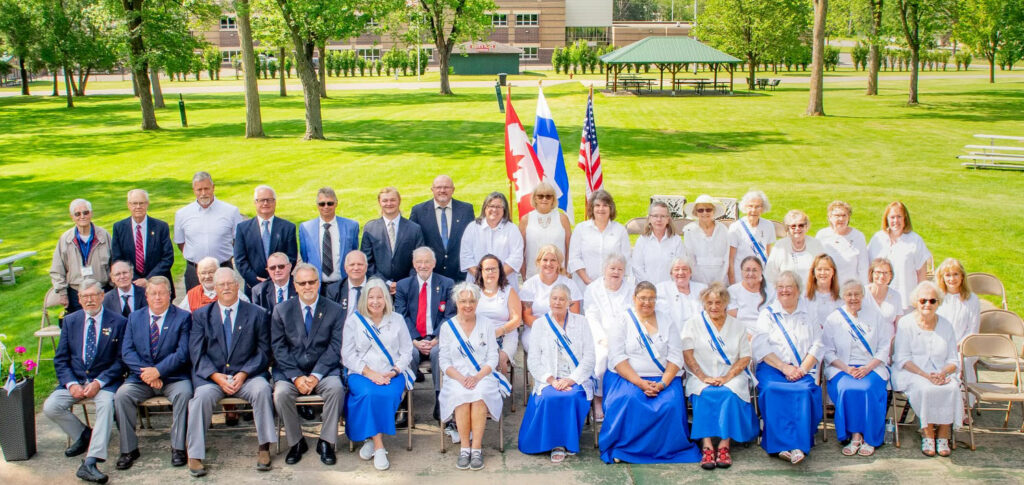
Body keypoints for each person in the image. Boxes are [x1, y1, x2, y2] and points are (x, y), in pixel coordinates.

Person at [186, 268, 276, 476]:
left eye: (230, 283)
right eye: (221, 284)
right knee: (200, 398)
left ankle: (264, 447)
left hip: (248, 376)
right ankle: (195, 454)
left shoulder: (257, 313)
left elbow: (264, 352)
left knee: (262, 390)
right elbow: (196, 353)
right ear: (215, 288)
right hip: (213, 378)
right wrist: (216, 377)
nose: (226, 288)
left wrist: (244, 373)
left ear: (237, 285)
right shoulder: (201, 316)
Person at [599, 282, 701, 464]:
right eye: (642, 298)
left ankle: (667, 450)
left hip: (663, 378)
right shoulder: (622, 320)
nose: (647, 302)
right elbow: (617, 357)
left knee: (669, 404)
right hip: (628, 377)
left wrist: (662, 383)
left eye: (651, 298)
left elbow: (676, 357)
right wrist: (640, 383)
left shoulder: (667, 320)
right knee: (629, 399)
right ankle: (624, 450)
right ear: (634, 298)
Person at [43, 279, 127, 484]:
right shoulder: (70, 321)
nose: (89, 300)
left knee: (106, 405)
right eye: (84, 296)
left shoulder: (118, 322)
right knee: (51, 406)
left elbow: (122, 361)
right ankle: (84, 434)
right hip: (77, 380)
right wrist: (71, 384)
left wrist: (99, 382)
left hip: (105, 382)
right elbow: (61, 359)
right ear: (79, 300)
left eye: (93, 295)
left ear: (101, 297)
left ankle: (91, 461)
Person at [113, 276, 193, 469]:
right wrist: (147, 375)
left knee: (185, 394)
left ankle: (178, 447)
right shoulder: (134, 317)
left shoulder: (183, 317)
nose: (157, 297)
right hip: (141, 378)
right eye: (153, 293)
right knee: (122, 395)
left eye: (162, 293)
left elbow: (182, 353)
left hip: (173, 377)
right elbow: (128, 352)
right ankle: (128, 449)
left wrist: (158, 371)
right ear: (146, 296)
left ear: (170, 295)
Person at [271, 263, 345, 466]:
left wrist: (315, 376)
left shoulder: (335, 310)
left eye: (312, 282)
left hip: (323, 371)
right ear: (295, 286)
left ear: (318, 283)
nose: (307, 287)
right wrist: (296, 376)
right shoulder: (281, 310)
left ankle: (326, 441)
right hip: (291, 372)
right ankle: (296, 442)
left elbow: (335, 346)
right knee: (281, 394)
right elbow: (279, 348)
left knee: (337, 389)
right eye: (302, 283)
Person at [681, 283, 759, 470]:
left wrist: (727, 377)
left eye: (718, 302)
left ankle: (724, 445)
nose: (714, 306)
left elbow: (745, 356)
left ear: (726, 303)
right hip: (702, 375)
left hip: (732, 375)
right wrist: (703, 376)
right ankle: (707, 445)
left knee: (729, 393)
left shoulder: (738, 326)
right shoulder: (692, 324)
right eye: (709, 303)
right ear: (704, 304)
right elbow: (688, 354)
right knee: (704, 393)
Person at [751, 271, 824, 464]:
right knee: (773, 390)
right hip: (773, 368)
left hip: (801, 369)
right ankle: (780, 445)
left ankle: (798, 445)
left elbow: (818, 344)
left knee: (804, 391)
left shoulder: (810, 313)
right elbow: (760, 346)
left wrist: (802, 369)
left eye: (789, 286)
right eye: (780, 287)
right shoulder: (767, 314)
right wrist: (784, 367)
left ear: (798, 290)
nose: (784, 290)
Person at [342, 278, 414, 471]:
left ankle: (371, 440)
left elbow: (407, 351)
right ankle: (380, 446)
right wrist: (370, 373)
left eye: (379, 297)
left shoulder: (397, 319)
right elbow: (347, 355)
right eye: (371, 297)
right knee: (369, 394)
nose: (375, 301)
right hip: (361, 373)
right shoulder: (354, 321)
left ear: (386, 299)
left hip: (392, 373)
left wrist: (394, 371)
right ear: (364, 299)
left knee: (388, 394)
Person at [519, 284, 595, 462]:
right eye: (554, 298)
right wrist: (552, 380)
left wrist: (570, 380)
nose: (558, 302)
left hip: (576, 378)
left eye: (562, 299)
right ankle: (554, 443)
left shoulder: (582, 322)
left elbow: (590, 357)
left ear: (569, 302)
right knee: (550, 396)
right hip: (549, 378)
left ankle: (564, 443)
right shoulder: (540, 324)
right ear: (549, 301)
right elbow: (534, 360)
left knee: (571, 396)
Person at [437, 282, 507, 471]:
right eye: (463, 301)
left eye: (471, 301)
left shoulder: (486, 324)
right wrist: (461, 378)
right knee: (461, 395)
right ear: (456, 302)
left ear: (477, 302)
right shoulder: (447, 327)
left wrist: (477, 377)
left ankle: (476, 448)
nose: (467, 305)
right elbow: (444, 361)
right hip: (456, 377)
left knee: (480, 394)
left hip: (483, 375)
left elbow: (493, 357)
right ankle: (464, 449)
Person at [821, 280, 892, 457]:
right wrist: (846, 369)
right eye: (849, 294)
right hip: (842, 368)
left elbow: (884, 346)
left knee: (867, 388)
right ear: (843, 297)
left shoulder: (876, 316)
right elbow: (828, 351)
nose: (853, 298)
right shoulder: (834, 319)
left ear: (862, 295)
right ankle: (855, 435)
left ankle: (870, 438)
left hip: (872, 367)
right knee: (847, 388)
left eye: (856, 294)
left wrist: (868, 368)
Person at [892, 281, 962, 457]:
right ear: (916, 302)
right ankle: (928, 432)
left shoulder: (946, 325)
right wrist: (926, 375)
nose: (927, 304)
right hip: (911, 372)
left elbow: (954, 359)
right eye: (923, 300)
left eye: (932, 301)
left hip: (940, 372)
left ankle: (944, 434)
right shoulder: (906, 324)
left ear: (938, 303)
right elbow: (902, 358)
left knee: (952, 387)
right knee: (925, 388)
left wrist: (943, 373)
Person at [394, 246, 456, 421]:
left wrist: (435, 339)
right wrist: (415, 341)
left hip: (436, 338)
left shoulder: (447, 284)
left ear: (434, 263)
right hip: (411, 339)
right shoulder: (403, 285)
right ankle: (405, 404)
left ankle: (440, 400)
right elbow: (401, 316)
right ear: (414, 264)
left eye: (427, 261)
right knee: (409, 356)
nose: (423, 265)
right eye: (419, 262)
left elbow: (449, 316)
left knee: (439, 354)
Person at [582, 253, 634, 422]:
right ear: (604, 270)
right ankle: (598, 399)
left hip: (627, 335)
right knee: (602, 357)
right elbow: (591, 316)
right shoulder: (593, 289)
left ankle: (624, 400)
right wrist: (602, 338)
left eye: (620, 269)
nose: (615, 272)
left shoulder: (631, 287)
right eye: (612, 268)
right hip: (599, 336)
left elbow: (635, 314)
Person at [174, 172, 243, 291]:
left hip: (223, 269)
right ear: (193, 190)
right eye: (199, 190)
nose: (203, 193)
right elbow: (180, 243)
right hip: (194, 272)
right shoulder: (182, 214)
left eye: (206, 189)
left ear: (213, 187)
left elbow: (238, 241)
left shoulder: (231, 212)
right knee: (195, 306)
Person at [233, 185, 298, 296]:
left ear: (275, 202)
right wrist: (255, 280)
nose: (265, 203)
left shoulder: (287, 228)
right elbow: (240, 260)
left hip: (281, 287)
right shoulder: (243, 229)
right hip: (254, 287)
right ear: (255, 203)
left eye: (269, 200)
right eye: (261, 200)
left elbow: (291, 257)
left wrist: (276, 279)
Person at [409, 175, 475, 281]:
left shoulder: (466, 210)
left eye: (446, 187)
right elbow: (412, 243)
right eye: (438, 187)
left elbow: (472, 240)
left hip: (459, 276)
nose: (442, 190)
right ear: (432, 189)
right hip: (430, 276)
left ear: (453, 190)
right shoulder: (418, 211)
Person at [50, 198, 112, 313]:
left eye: (86, 212)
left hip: (102, 291)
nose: (82, 216)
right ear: (72, 217)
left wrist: (114, 288)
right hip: (77, 294)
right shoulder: (65, 239)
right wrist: (62, 293)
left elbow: (114, 264)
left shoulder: (104, 235)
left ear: (91, 213)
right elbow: (57, 269)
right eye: (77, 214)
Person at [868, 201, 931, 310]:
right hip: (879, 301)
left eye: (899, 217)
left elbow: (921, 273)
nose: (895, 221)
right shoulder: (878, 239)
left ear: (905, 219)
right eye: (892, 217)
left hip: (906, 302)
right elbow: (869, 268)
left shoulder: (915, 240)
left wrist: (921, 298)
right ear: (886, 219)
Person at [935, 258, 981, 406]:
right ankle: (939, 406)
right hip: (940, 344)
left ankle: (964, 406)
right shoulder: (937, 297)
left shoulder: (972, 299)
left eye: (955, 274)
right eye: (947, 275)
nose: (952, 279)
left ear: (962, 276)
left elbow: (973, 329)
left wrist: (958, 346)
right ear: (942, 277)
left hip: (964, 346)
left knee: (964, 363)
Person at [111, 189, 174, 295]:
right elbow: (117, 258)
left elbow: (167, 258)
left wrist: (148, 279)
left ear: (147, 204)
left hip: (157, 285)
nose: (138, 207)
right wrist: (134, 279)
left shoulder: (160, 227)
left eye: (142, 203)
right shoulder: (119, 227)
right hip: (130, 285)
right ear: (128, 205)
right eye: (134, 203)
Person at [521, 245, 582, 354]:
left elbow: (575, 315)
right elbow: (526, 316)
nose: (549, 264)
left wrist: (558, 330)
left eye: (553, 260)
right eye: (545, 260)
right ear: (539, 262)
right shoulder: (529, 285)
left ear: (559, 263)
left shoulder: (570, 284)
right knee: (542, 348)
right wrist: (548, 329)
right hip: (535, 330)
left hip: (565, 330)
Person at [361, 187, 425, 291]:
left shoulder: (414, 229)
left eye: (392, 200)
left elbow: (420, 259)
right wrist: (385, 283)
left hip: (408, 287)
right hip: (379, 287)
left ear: (399, 201)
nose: (389, 203)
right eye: (385, 200)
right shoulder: (370, 228)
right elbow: (367, 261)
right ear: (379, 202)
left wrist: (405, 283)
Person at [299, 187, 360, 291]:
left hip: (342, 284)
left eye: (330, 203)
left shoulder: (351, 226)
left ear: (336, 203)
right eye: (322, 204)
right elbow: (305, 257)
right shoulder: (306, 228)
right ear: (317, 206)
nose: (326, 207)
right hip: (316, 286)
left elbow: (353, 252)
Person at [568, 189, 630, 288]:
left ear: (611, 209)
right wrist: (588, 281)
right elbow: (574, 259)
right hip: (585, 286)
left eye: (605, 205)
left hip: (612, 287)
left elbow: (625, 260)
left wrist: (613, 283)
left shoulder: (620, 230)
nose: (601, 209)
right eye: (597, 205)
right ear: (592, 208)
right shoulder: (581, 229)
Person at [459, 192, 524, 285]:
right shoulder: (472, 228)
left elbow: (516, 258)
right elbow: (466, 257)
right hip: (477, 282)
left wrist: (497, 278)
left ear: (504, 210)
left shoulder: (512, 229)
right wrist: (482, 278)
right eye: (491, 206)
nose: (494, 209)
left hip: (505, 282)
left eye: (498, 207)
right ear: (485, 208)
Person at [474, 254, 523, 374]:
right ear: (481, 272)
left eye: (494, 269)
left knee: (498, 358)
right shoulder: (473, 291)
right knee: (479, 358)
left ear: (500, 271)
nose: (490, 272)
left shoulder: (508, 291)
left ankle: (499, 389)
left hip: (506, 334)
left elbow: (516, 319)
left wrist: (498, 332)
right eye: (487, 269)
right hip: (479, 335)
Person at [519, 181, 572, 279]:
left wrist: (568, 270)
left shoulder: (563, 218)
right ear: (535, 198)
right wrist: (523, 274)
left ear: (553, 199)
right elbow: (520, 250)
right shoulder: (525, 220)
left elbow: (570, 247)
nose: (544, 199)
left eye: (548, 196)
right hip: (533, 275)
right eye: (540, 196)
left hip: (559, 274)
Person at [765, 210, 825, 286]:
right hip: (786, 292)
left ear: (806, 227)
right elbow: (770, 275)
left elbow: (824, 271)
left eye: (801, 225)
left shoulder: (816, 244)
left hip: (811, 292)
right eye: (793, 226)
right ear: (787, 228)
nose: (797, 229)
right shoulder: (780, 246)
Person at [727, 190, 775, 285]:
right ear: (745, 207)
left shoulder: (768, 225)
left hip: (761, 277)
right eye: (750, 206)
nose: (753, 210)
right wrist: (733, 283)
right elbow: (730, 259)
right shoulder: (736, 227)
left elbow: (769, 255)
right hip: (740, 277)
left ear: (763, 208)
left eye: (758, 206)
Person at [816, 201, 869, 284]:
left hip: (850, 288)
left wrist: (864, 289)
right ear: (830, 217)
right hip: (828, 287)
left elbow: (864, 266)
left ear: (849, 217)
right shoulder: (822, 235)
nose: (841, 219)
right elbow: (816, 264)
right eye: (837, 216)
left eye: (844, 215)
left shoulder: (858, 236)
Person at [682, 195, 730, 285]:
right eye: (700, 210)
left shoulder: (722, 229)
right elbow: (690, 259)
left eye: (708, 209)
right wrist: (701, 283)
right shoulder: (689, 230)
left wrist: (719, 281)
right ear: (695, 213)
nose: (705, 213)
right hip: (698, 279)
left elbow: (727, 256)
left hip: (721, 278)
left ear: (713, 211)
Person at [632, 201, 684, 284]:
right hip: (646, 289)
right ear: (649, 219)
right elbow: (637, 267)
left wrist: (668, 287)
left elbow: (680, 268)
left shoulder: (676, 241)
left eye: (663, 216)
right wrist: (649, 286)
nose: (659, 219)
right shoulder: (642, 241)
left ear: (668, 219)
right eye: (655, 216)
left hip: (670, 289)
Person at [177, 256, 248, 312]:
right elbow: (180, 316)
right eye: (203, 273)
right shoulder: (192, 295)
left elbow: (247, 310)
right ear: (198, 275)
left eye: (211, 272)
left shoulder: (232, 291)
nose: (207, 276)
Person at [656, 256, 708, 329]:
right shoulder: (662, 289)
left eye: (684, 269)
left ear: (690, 272)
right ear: (671, 273)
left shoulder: (702, 289)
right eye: (676, 269)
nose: (681, 272)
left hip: (699, 332)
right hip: (674, 334)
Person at [727, 256, 773, 333]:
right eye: (747, 270)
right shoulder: (733, 290)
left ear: (761, 272)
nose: (751, 274)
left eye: (755, 270)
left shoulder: (772, 290)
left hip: (766, 334)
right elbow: (732, 321)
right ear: (741, 272)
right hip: (742, 335)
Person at [325, 250, 370, 317]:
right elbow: (331, 318)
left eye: (360, 264)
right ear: (345, 268)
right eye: (352, 265)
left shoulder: (377, 287)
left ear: (366, 267)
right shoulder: (333, 290)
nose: (356, 268)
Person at [864, 258, 904, 330]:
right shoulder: (861, 293)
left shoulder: (896, 296)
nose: (882, 276)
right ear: (871, 273)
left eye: (886, 273)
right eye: (878, 272)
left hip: (889, 340)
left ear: (891, 275)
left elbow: (899, 324)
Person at [805, 254, 842, 326]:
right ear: (813, 272)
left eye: (827, 269)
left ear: (833, 272)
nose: (823, 273)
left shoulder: (840, 299)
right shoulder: (805, 297)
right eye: (819, 269)